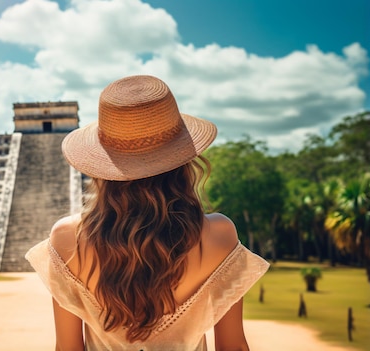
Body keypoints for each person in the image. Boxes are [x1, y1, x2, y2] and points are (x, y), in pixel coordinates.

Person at [25, 75, 269, 351]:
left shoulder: (68, 238)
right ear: (182, 158)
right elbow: (233, 347)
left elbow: (68, 348)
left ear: (103, 165)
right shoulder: (219, 234)